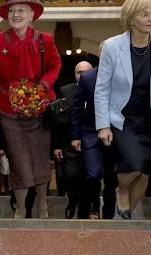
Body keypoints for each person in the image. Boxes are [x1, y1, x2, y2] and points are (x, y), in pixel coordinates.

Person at [95, 0, 151, 220]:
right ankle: (121, 189)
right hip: (123, 119)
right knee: (133, 165)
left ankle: (127, 222)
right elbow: (102, 89)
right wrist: (103, 125)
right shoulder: (113, 47)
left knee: (145, 173)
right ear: (130, 18)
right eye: (145, 14)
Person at [0, 0, 61, 218]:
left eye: (21, 10)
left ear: (32, 14)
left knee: (40, 160)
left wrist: (43, 85)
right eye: (12, 11)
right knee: (20, 161)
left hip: (39, 111)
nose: (16, 14)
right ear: (7, 16)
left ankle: (43, 205)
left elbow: (55, 66)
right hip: (9, 112)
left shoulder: (45, 40)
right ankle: (22, 208)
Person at [72, 41, 118, 220]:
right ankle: (87, 209)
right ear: (100, 53)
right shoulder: (88, 77)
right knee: (93, 174)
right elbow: (76, 108)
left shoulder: (123, 77)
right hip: (90, 132)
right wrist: (75, 136)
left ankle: (108, 216)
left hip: (115, 133)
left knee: (111, 178)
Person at [52, 61, 92, 219]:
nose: (82, 76)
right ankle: (72, 200)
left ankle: (86, 206)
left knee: (88, 177)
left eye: (86, 72)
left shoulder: (99, 89)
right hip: (68, 142)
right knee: (71, 176)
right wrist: (56, 146)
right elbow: (56, 120)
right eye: (79, 72)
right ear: (75, 74)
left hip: (91, 142)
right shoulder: (65, 90)